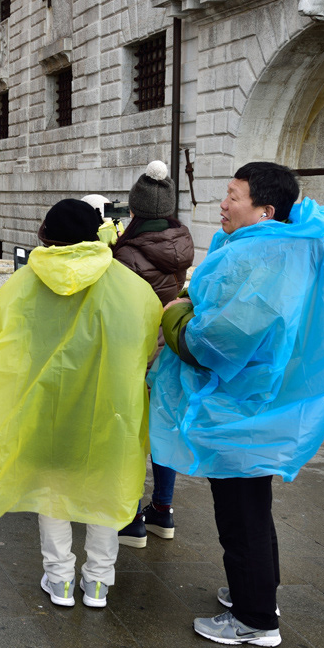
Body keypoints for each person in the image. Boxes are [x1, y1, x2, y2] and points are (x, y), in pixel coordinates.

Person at [148, 162, 324, 647]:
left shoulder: (262, 255)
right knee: (252, 508)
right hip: (261, 405)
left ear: (265, 209)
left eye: (234, 195)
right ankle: (256, 594)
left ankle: (255, 619)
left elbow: (219, 341)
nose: (223, 203)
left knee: (241, 515)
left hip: (241, 408)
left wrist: (177, 316)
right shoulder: (295, 247)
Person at [0, 199, 161, 610]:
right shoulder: (130, 287)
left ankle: (61, 579)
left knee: (51, 491)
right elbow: (146, 339)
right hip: (107, 410)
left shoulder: (23, 283)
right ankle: (100, 583)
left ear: (46, 234)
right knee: (105, 491)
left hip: (44, 408)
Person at [111, 161, 194, 549]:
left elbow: (120, 305)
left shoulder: (128, 252)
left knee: (130, 433)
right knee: (163, 430)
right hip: (169, 350)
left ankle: (130, 519)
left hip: (137, 350)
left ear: (136, 211)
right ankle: (162, 511)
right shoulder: (182, 241)